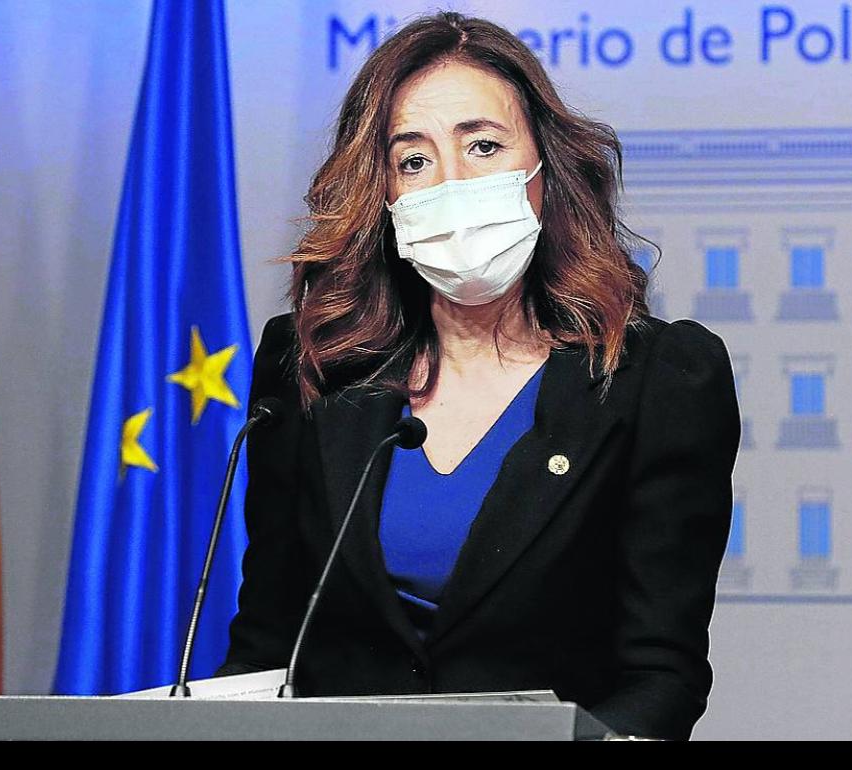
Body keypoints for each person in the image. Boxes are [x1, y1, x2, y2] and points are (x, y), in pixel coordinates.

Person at [218, 11, 740, 741]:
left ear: (546, 170)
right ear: (383, 193)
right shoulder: (312, 364)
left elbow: (660, 675)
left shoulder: (659, 379)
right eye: (413, 161)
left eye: (484, 146)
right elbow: (266, 646)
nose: (451, 184)